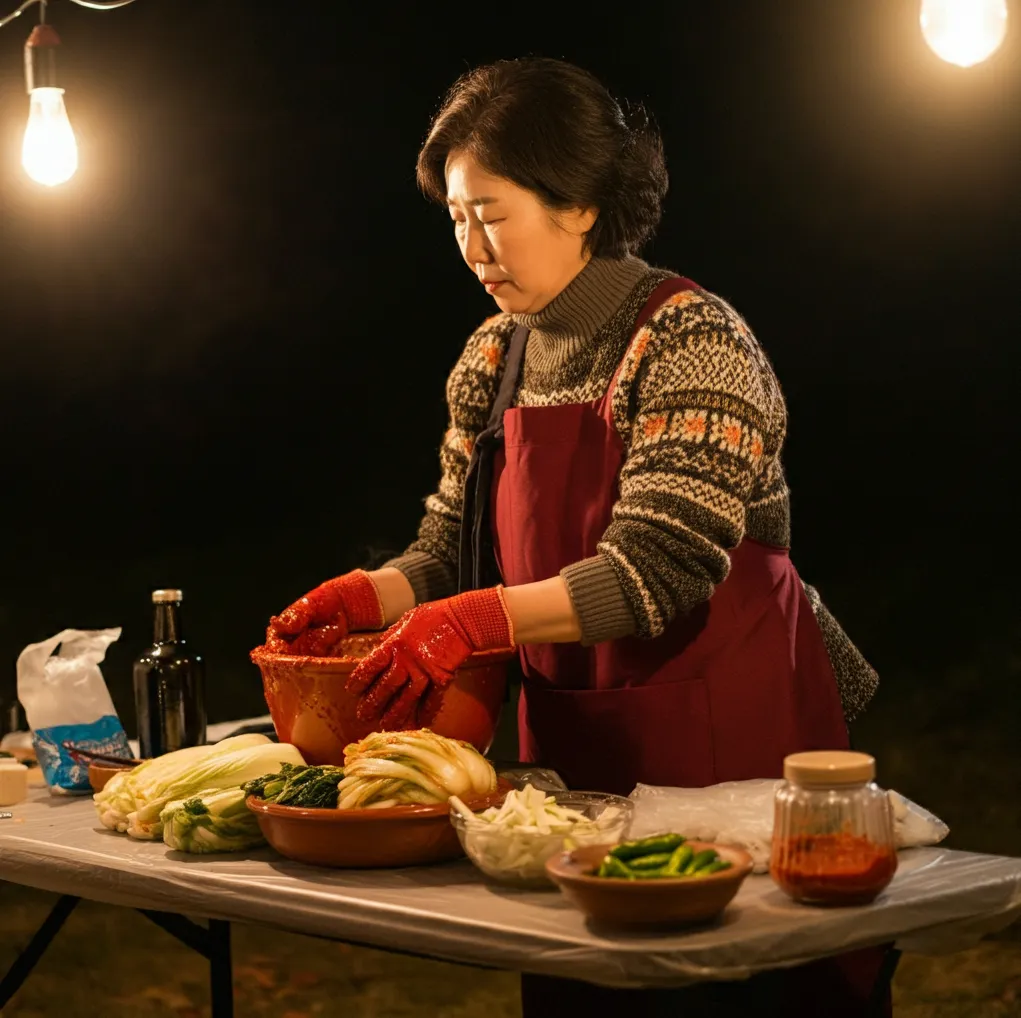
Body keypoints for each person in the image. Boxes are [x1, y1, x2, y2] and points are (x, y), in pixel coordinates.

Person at [267, 58, 888, 1017]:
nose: (473, 245)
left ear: (583, 203)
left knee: (755, 989)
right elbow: (449, 547)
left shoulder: (693, 342)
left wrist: (471, 623)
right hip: (576, 760)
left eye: (494, 212)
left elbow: (660, 568)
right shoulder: (489, 357)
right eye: (457, 217)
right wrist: (374, 593)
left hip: (735, 750)